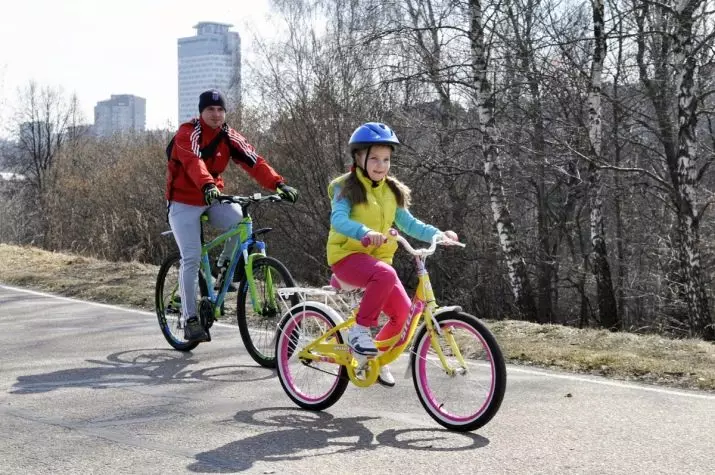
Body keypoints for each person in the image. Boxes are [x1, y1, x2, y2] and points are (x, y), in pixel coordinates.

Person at [326, 122, 458, 387]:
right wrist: (363, 231)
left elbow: (410, 224)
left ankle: (376, 360)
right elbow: (338, 220)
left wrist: (438, 234)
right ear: (358, 157)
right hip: (346, 257)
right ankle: (359, 332)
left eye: (386, 159)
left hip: (378, 264)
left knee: (403, 317)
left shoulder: (391, 191)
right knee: (386, 273)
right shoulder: (345, 188)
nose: (380, 165)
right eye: (374, 158)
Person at [167, 89, 299, 343]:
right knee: (191, 258)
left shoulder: (229, 136)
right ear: (201, 112)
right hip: (184, 201)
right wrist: (207, 185)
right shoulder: (188, 133)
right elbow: (193, 161)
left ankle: (224, 267)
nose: (216, 115)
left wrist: (278, 184)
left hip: (212, 198)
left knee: (241, 220)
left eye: (220, 110)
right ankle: (190, 319)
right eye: (210, 110)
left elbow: (254, 161)